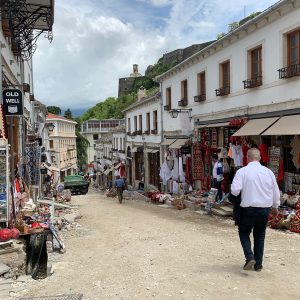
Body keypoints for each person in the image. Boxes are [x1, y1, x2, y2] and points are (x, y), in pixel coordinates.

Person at [231, 148, 280, 271]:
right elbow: (275, 191)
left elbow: (235, 191)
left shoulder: (242, 171)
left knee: (243, 232)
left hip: (248, 209)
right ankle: (258, 265)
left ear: (247, 157)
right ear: (260, 158)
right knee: (260, 235)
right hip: (265, 209)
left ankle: (249, 257)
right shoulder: (268, 172)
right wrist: (276, 206)